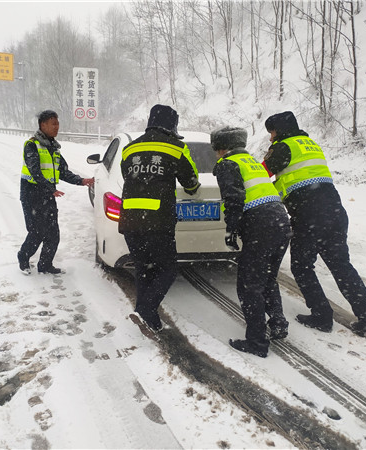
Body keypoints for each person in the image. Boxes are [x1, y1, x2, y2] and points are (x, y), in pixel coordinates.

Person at [263, 111, 366, 338]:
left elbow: (261, 173)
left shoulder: (283, 147)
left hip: (309, 215)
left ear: (280, 129)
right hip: (335, 213)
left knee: (302, 266)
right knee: (341, 266)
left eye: (272, 132)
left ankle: (322, 316)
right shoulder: (310, 145)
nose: (270, 138)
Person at [211, 126, 292, 357]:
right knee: (266, 277)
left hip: (261, 226)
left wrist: (231, 230)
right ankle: (277, 323)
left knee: (249, 285)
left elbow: (234, 199)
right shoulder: (252, 162)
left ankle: (256, 342)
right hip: (280, 223)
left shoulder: (227, 164)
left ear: (221, 148)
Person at [119, 104, 200, 332]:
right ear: (172, 126)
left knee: (144, 268)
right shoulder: (177, 148)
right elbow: (191, 181)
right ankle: (146, 310)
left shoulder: (129, 149)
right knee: (168, 269)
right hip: (157, 222)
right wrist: (192, 188)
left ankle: (148, 317)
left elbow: (128, 175)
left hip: (130, 221)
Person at [17, 110, 94, 275]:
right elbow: (35, 171)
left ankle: (45, 265)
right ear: (43, 125)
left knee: (53, 233)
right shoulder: (32, 145)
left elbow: (63, 171)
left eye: (57, 123)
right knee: (36, 232)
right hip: (31, 195)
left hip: (47, 195)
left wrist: (81, 181)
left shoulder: (54, 148)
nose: (57, 127)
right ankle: (23, 258)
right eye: (53, 123)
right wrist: (50, 189)